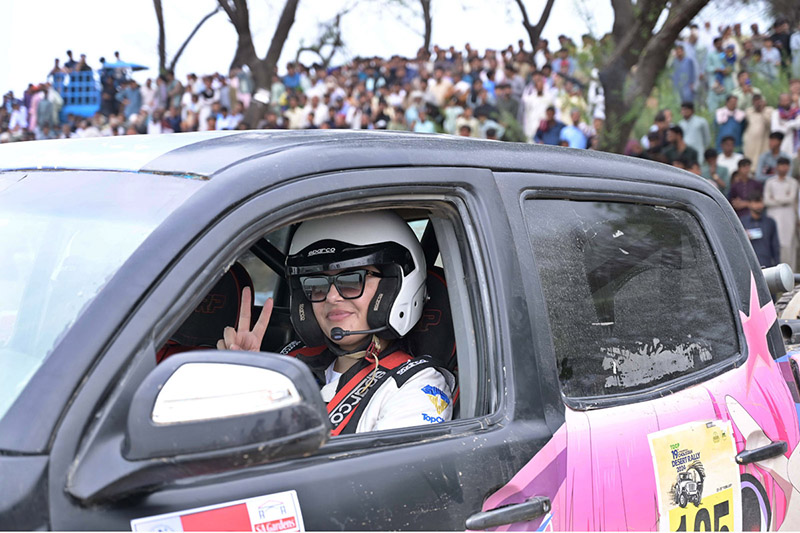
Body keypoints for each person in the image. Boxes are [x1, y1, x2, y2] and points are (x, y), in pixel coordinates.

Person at [216, 211, 455, 435]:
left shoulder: (416, 384)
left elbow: (383, 476)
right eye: (316, 285)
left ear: (392, 287)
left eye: (352, 280)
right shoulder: (291, 362)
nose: (331, 297)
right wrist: (239, 385)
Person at [764, 157, 798, 269]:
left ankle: (790, 273)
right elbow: (766, 201)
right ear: (777, 167)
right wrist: (784, 199)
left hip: (788, 216)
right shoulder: (770, 182)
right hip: (773, 216)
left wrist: (775, 199)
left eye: (786, 165)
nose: (784, 167)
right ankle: (775, 272)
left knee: (788, 244)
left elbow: (791, 198)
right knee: (775, 243)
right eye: (782, 165)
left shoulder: (793, 182)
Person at [740, 191, 780, 268]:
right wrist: (743, 237)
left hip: (767, 265)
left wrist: (777, 265)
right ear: (749, 204)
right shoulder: (741, 222)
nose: (759, 205)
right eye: (756, 202)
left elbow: (775, 246)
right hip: (749, 265)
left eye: (760, 202)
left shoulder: (770, 222)